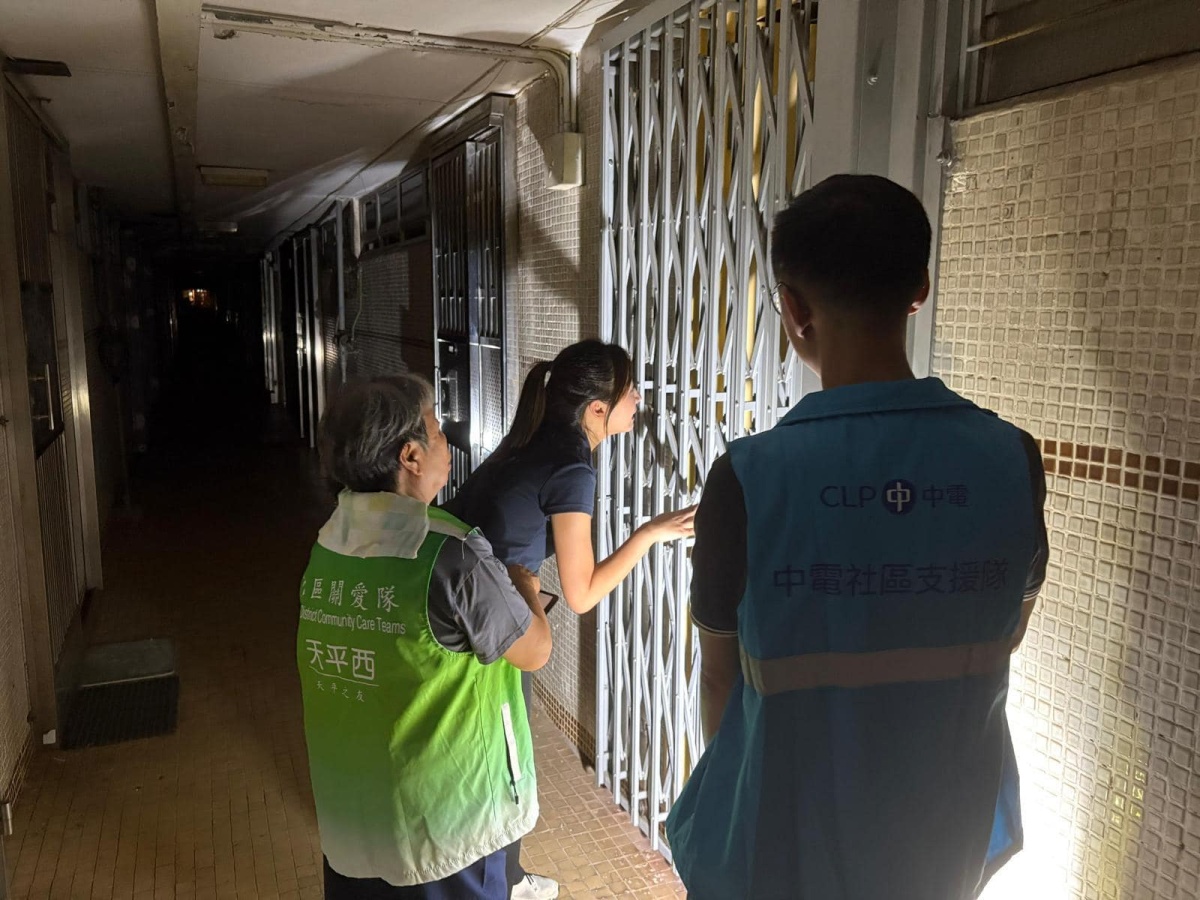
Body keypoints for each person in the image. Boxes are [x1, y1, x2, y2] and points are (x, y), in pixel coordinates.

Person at [664, 175, 1049, 899]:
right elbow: (1008, 626)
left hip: (781, 853)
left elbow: (719, 678)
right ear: (920, 288)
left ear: (793, 309)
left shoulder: (747, 478)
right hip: (943, 850)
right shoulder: (1013, 460)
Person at [445, 339, 695, 900]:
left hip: (465, 606)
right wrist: (650, 533)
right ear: (597, 409)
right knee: (502, 759)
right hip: (491, 624)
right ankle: (496, 885)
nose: (639, 399)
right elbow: (581, 594)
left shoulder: (536, 441)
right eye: (630, 390)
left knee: (493, 753)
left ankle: (505, 877)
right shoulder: (572, 465)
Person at [297, 375, 553, 900]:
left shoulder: (329, 542)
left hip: (354, 816)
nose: (446, 441)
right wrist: (524, 587)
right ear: (410, 456)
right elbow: (535, 651)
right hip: (445, 826)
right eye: (436, 430)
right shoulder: (450, 554)